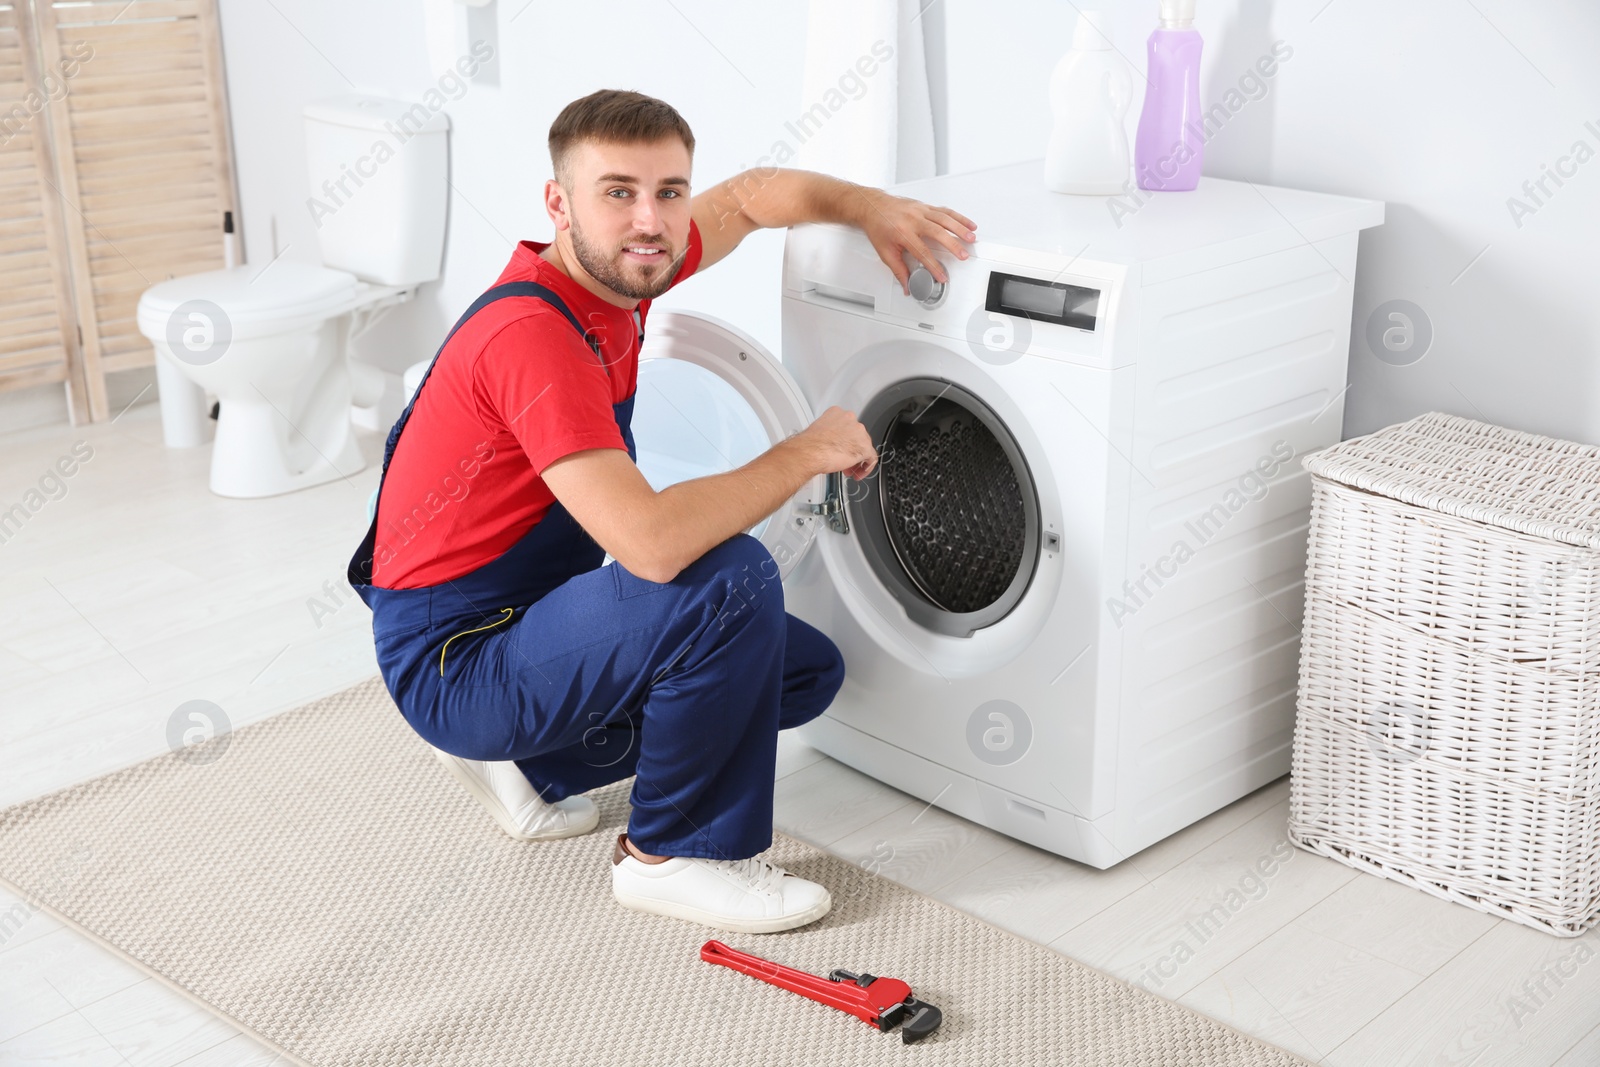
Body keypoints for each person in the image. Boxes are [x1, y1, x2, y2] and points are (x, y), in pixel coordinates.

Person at [346, 89, 977, 934]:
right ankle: (675, 854)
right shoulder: (536, 335)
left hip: (513, 615)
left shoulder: (623, 268)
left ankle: (529, 765)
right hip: (458, 653)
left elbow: (752, 196)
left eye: (670, 190)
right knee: (729, 579)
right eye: (618, 192)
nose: (651, 219)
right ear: (558, 204)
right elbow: (648, 544)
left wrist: (869, 207)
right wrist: (804, 450)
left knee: (797, 671)